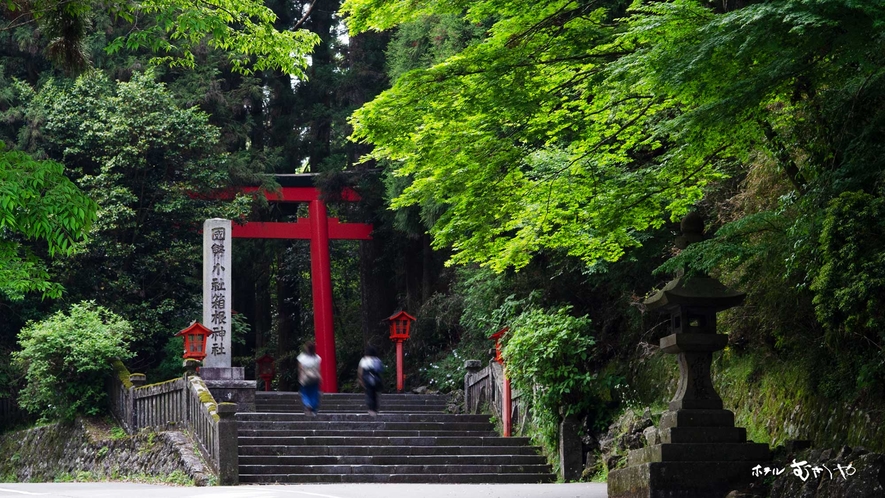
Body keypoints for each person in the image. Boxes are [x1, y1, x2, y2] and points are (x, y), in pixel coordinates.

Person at [357, 346, 384, 416]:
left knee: (369, 394)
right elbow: (380, 370)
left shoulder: (364, 360)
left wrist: (360, 380)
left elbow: (360, 371)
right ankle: (375, 408)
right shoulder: (377, 360)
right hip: (376, 379)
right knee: (375, 394)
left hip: (367, 378)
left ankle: (371, 409)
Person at [297, 343, 322, 416]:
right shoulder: (317, 358)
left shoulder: (301, 358)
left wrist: (300, 377)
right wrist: (320, 377)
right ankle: (313, 407)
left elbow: (300, 369)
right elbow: (318, 369)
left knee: (305, 393)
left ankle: (307, 404)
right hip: (315, 377)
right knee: (314, 393)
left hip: (305, 378)